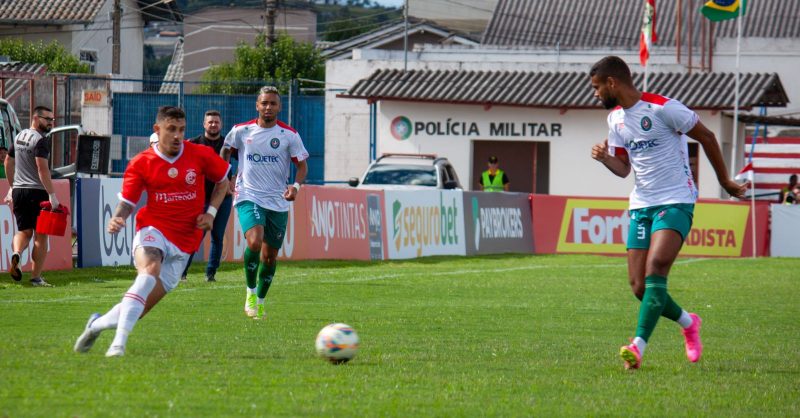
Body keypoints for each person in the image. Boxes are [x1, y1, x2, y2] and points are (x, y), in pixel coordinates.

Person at [589, 56, 747, 370]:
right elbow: (624, 170)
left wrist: (726, 181)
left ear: (612, 83)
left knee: (657, 267)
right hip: (641, 203)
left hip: (676, 198)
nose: (594, 95)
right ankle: (689, 322)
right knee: (638, 287)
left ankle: (637, 347)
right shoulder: (615, 120)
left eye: (596, 88)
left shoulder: (664, 108)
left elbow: (708, 137)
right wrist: (606, 158)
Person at [73, 106, 230, 357]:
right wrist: (117, 218)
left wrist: (211, 212)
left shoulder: (199, 154)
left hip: (185, 243)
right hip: (153, 229)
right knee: (149, 272)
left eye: (181, 130)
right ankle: (118, 345)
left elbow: (223, 181)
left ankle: (95, 325)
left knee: (137, 308)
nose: (177, 135)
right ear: (158, 130)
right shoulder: (142, 163)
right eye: (171, 129)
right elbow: (128, 202)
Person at [221, 86, 309, 320]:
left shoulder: (289, 135)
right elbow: (226, 151)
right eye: (264, 103)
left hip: (277, 201)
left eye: (273, 103)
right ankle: (250, 292)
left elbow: (301, 166)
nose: (268, 107)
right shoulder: (241, 131)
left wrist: (295, 187)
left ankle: (260, 301)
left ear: (279, 107)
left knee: (269, 257)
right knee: (255, 240)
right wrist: (227, 177)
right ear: (257, 105)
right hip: (248, 194)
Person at [4, 106, 60, 286]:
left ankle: (17, 254)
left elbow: (8, 161)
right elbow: (42, 169)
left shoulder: (19, 136)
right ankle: (36, 277)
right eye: (47, 119)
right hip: (37, 191)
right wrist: (52, 194)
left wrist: (12, 187)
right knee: (41, 236)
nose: (51, 123)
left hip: (20, 191)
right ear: (35, 118)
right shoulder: (41, 140)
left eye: (52, 120)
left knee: (24, 231)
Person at [180, 110, 236, 282]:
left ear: (221, 124)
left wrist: (234, 179)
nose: (213, 125)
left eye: (216, 122)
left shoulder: (229, 144)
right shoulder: (193, 144)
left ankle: (210, 273)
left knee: (218, 236)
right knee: (196, 235)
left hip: (223, 198)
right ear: (204, 124)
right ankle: (182, 272)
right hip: (200, 198)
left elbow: (246, 161)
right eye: (210, 122)